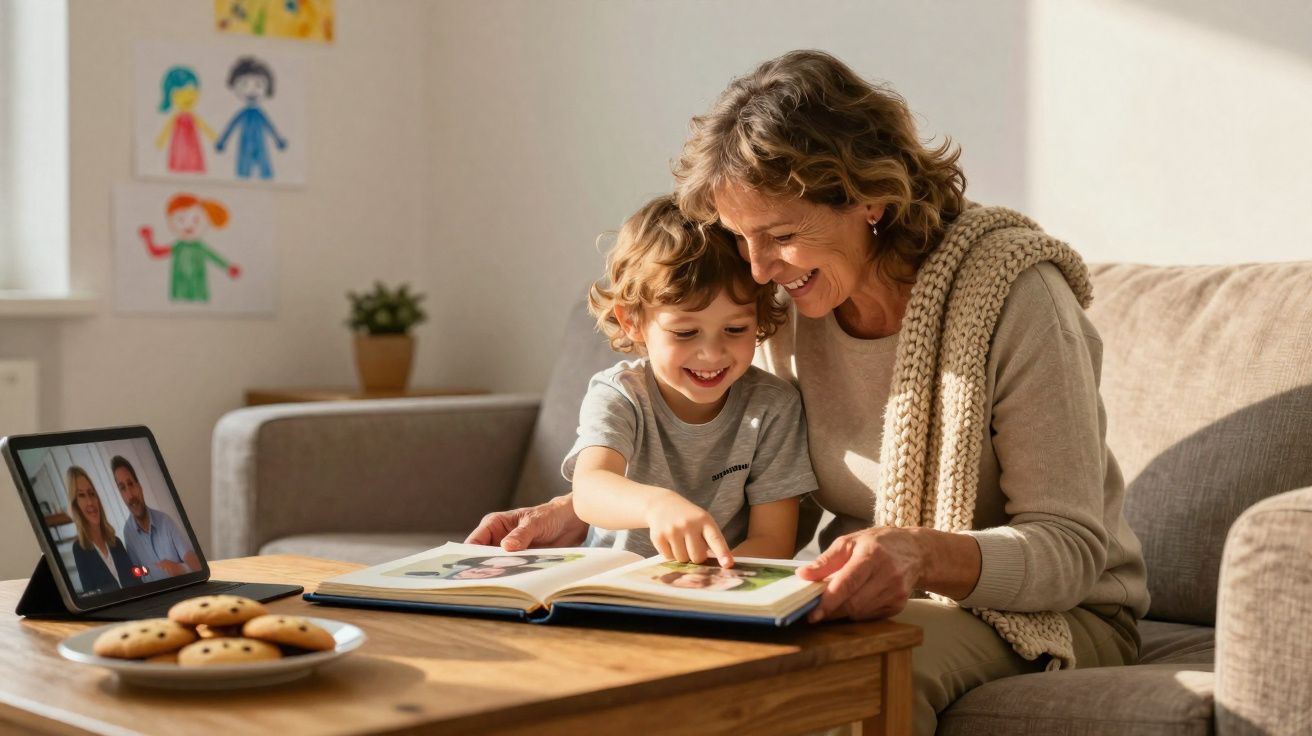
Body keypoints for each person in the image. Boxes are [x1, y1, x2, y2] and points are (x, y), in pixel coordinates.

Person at [468, 50, 1149, 734]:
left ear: (868, 198)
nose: (759, 269)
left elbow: (1068, 552)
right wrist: (581, 510)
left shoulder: (1016, 299)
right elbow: (737, 472)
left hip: (1053, 612)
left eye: (782, 236)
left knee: (839, 678)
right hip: (861, 590)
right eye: (742, 238)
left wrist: (920, 554)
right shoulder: (779, 308)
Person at [565, 195, 818, 565]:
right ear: (631, 322)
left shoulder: (773, 407)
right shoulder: (620, 395)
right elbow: (589, 491)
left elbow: (773, 541)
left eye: (735, 328)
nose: (712, 354)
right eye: (685, 333)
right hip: (610, 589)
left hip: (717, 590)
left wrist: (702, 583)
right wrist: (656, 505)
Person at [138, 193, 242, 303]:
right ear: (170, 222)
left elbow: (215, 257)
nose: (188, 225)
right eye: (180, 220)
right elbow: (156, 252)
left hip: (198, 288)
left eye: (196, 220)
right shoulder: (178, 247)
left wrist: (228, 267)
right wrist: (148, 239)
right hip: (180, 290)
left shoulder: (200, 247)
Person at [111, 456, 201, 583]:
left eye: (131, 484)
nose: (130, 495)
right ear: (121, 495)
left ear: (139, 487)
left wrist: (180, 569)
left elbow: (195, 562)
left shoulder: (165, 521)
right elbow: (138, 578)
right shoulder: (128, 534)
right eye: (123, 488)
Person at [64, 466, 140, 595]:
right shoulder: (79, 549)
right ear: (75, 505)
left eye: (92, 493)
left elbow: (137, 585)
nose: (90, 502)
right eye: (81, 495)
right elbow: (93, 598)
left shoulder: (116, 543)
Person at [215, 56, 287, 180]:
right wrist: (222, 142)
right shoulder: (242, 114)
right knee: (243, 169)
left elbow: (270, 127)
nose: (251, 90)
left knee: (265, 167)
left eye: (258, 85)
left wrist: (278, 140)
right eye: (244, 84)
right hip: (245, 144)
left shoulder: (261, 114)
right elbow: (231, 127)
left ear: (267, 88)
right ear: (234, 86)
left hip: (260, 143)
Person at [154, 65, 217, 174]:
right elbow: (167, 129)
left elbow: (203, 126)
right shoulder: (176, 118)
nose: (187, 97)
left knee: (194, 162)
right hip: (179, 146)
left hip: (193, 147)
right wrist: (160, 141)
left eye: (191, 93)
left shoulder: (193, 117)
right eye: (181, 94)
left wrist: (214, 137)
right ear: (171, 96)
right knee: (178, 162)